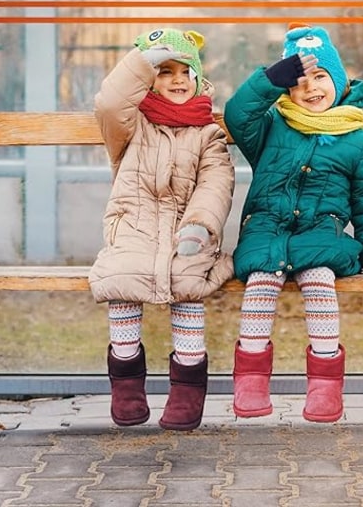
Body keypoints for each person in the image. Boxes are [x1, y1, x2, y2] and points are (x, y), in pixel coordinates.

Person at [224, 23, 363, 423]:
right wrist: (270, 80)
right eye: (299, 81)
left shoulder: (357, 138)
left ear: (338, 81)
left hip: (322, 235)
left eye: (320, 77)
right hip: (267, 230)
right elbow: (237, 116)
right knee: (261, 281)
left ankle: (325, 385)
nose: (310, 88)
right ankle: (249, 379)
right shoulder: (271, 127)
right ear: (287, 90)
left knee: (319, 279)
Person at [89, 27, 235, 431]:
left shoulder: (208, 133)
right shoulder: (131, 126)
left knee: (188, 287)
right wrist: (142, 60)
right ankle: (127, 385)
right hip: (132, 230)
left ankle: (188, 389)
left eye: (184, 71)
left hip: (187, 238)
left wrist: (200, 227)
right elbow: (109, 103)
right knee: (122, 284)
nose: (176, 80)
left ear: (198, 78)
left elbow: (215, 184)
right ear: (149, 79)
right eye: (164, 71)